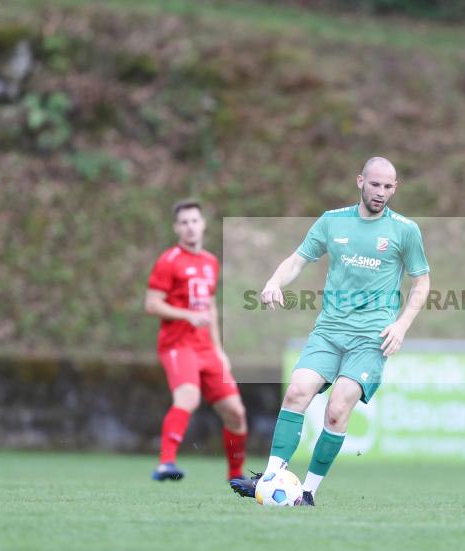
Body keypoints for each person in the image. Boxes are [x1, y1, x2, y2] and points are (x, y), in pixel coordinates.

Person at [231, 157, 431, 506]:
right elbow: (297, 259)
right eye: (375, 185)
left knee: (337, 408)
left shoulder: (405, 230)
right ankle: (270, 478)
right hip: (329, 331)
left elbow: (422, 281)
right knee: (296, 392)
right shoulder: (332, 221)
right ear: (360, 182)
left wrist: (401, 325)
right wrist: (275, 281)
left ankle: (307, 492)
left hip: (371, 338)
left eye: (388, 186)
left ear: (395, 188)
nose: (381, 192)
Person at [145, 199, 249, 482]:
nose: (190, 227)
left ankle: (236, 477)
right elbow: (152, 304)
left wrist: (218, 349)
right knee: (188, 398)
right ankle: (166, 463)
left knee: (236, 413)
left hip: (207, 348)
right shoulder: (169, 261)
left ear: (203, 225)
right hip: (178, 344)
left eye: (194, 221)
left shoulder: (210, 262)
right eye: (184, 222)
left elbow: (210, 306)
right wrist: (186, 315)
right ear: (176, 228)